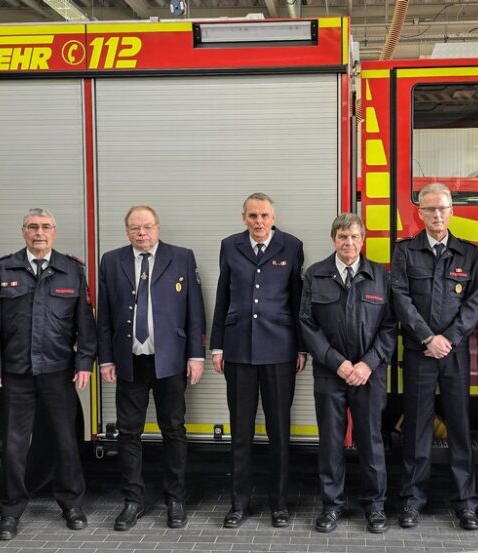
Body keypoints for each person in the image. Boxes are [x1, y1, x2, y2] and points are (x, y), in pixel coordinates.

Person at [0, 208, 96, 541]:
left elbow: (84, 322)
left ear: (54, 232)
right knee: (14, 446)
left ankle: (71, 504)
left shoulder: (71, 270)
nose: (39, 232)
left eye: (45, 227)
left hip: (58, 372)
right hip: (16, 374)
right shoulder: (4, 269)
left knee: (66, 441)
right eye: (32, 227)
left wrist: (85, 361)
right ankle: (11, 511)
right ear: (23, 232)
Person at [96, 206, 205, 531]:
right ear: (126, 231)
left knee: (174, 430)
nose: (141, 233)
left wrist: (195, 355)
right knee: (129, 432)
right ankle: (133, 500)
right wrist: (106, 358)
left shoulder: (182, 257)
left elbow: (195, 309)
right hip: (129, 362)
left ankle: (175, 498)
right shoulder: (111, 260)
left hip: (170, 360)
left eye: (146, 227)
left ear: (157, 227)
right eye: (134, 228)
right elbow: (104, 316)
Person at [390, 183, 478, 530]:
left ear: (452, 211)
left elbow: (475, 301)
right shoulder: (405, 252)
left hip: (455, 354)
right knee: (416, 428)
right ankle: (413, 500)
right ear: (420, 213)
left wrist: (450, 338)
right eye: (429, 209)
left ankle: (466, 502)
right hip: (419, 352)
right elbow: (399, 297)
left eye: (442, 208)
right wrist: (428, 337)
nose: (436, 214)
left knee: (460, 427)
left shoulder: (467, 253)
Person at [211, 192, 306, 528]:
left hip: (280, 350)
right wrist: (217, 345)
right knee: (241, 432)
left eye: (264, 216)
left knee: (279, 432)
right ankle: (239, 504)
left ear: (274, 216)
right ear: (243, 218)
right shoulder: (229, 245)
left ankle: (278, 504)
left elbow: (297, 301)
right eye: (252, 216)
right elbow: (223, 294)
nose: (259, 222)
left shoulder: (292, 246)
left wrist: (301, 348)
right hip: (238, 350)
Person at [299, 213, 397, 534]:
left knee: (371, 440)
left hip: (369, 374)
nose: (349, 243)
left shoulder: (380, 276)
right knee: (330, 442)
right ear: (333, 240)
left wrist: (367, 363)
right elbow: (307, 325)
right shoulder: (315, 275)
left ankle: (375, 506)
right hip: (330, 373)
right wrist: (337, 362)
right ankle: (332, 506)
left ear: (363, 239)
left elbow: (389, 327)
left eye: (355, 237)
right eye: (343, 237)